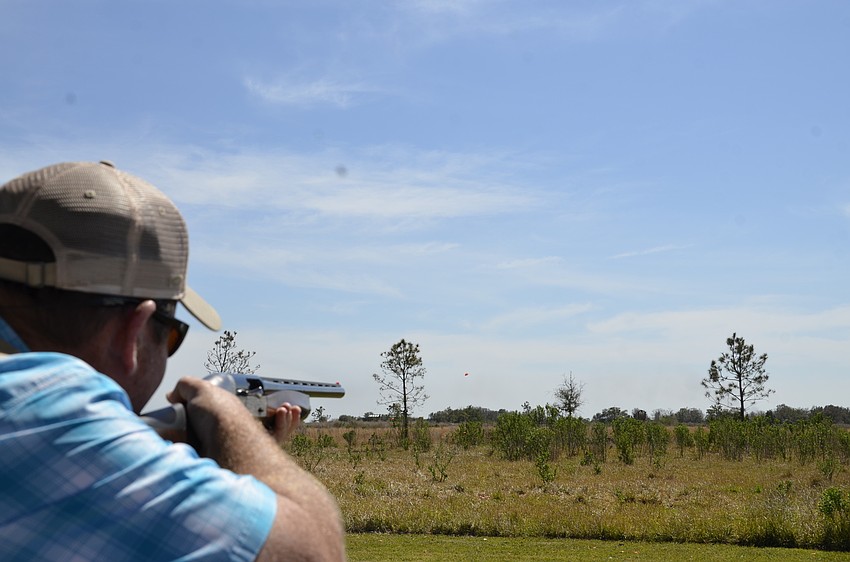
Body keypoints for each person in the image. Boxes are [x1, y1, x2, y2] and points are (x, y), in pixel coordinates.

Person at [0, 161, 346, 561]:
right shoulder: (58, 413)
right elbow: (312, 550)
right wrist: (231, 423)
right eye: (169, 335)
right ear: (134, 331)